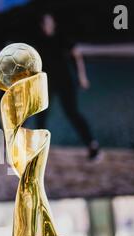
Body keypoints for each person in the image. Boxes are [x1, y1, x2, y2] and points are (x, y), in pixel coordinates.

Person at [36, 13, 100, 160]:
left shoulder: (61, 38)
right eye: (42, 24)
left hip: (65, 82)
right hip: (47, 83)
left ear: (53, 24)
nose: (44, 26)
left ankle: (92, 145)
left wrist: (82, 76)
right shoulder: (39, 41)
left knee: (72, 113)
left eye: (47, 23)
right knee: (41, 114)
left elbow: (76, 55)